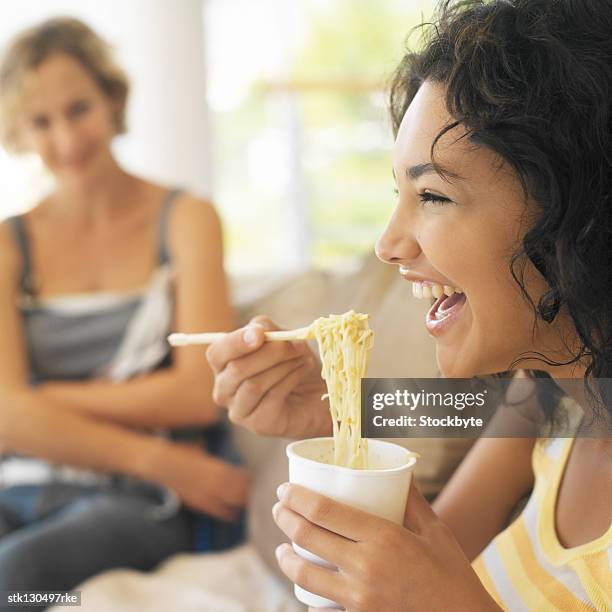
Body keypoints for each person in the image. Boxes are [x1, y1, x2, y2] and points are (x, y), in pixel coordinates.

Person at [206, 0, 612, 609]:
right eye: (399, 193)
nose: (388, 245)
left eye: (433, 194)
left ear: (576, 212)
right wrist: (331, 416)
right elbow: (432, 544)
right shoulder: (553, 385)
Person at [0, 17, 247, 593]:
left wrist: (41, 405)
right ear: (19, 130)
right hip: (45, 478)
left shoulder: (186, 219)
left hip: (143, 501)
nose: (65, 139)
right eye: (41, 121)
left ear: (112, 99)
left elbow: (195, 393)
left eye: (78, 108)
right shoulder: (9, 245)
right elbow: (5, 414)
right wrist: (161, 458)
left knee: (13, 579)